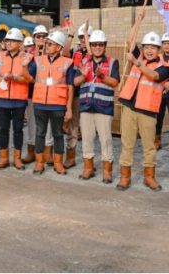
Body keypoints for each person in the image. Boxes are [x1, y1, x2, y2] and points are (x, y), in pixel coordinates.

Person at [117, 30, 169, 191]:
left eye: (153, 48)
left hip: (147, 111)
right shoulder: (139, 57)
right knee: (127, 144)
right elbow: (130, 39)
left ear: (159, 50)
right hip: (129, 107)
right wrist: (138, 20)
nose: (149, 50)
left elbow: (154, 76)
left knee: (149, 147)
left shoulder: (165, 68)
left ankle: (149, 177)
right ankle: (125, 177)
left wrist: (136, 62)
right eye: (146, 47)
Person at [73, 29, 119, 184]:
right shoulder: (84, 62)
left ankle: (107, 171)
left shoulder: (112, 62)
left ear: (105, 46)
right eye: (94, 44)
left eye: (100, 44)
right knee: (86, 139)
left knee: (105, 140)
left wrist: (102, 76)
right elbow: (75, 82)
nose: (97, 47)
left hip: (104, 108)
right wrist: (83, 75)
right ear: (91, 46)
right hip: (86, 106)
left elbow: (115, 82)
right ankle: (88, 168)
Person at [0, 28, 36, 170]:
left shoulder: (28, 58)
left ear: (20, 43)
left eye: (12, 41)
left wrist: (15, 78)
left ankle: (17, 159)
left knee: (18, 130)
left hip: (19, 100)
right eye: (7, 40)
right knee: (3, 129)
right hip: (2, 99)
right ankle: (4, 158)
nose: (9, 43)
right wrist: (4, 78)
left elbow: (30, 79)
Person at [31, 31, 73, 175]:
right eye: (46, 43)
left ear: (59, 47)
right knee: (40, 133)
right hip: (39, 103)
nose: (47, 46)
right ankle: (39, 163)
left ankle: (58, 163)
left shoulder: (67, 63)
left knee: (58, 134)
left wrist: (69, 108)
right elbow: (29, 77)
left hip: (58, 104)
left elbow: (70, 86)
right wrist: (24, 67)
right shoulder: (38, 60)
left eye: (50, 44)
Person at [63, 22, 91, 169]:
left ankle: (89, 160)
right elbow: (64, 54)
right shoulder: (75, 51)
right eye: (81, 37)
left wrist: (86, 35)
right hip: (75, 93)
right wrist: (70, 35)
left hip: (89, 94)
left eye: (85, 36)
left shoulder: (95, 53)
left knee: (88, 129)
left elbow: (92, 55)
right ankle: (71, 156)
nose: (83, 39)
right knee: (73, 127)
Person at [23, 24, 50, 165]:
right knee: (32, 124)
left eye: (44, 36)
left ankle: (47, 152)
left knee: (48, 125)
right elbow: (28, 73)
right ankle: (31, 151)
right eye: (38, 36)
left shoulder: (52, 53)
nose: (41, 39)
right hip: (32, 94)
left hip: (49, 95)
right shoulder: (28, 55)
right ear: (34, 38)